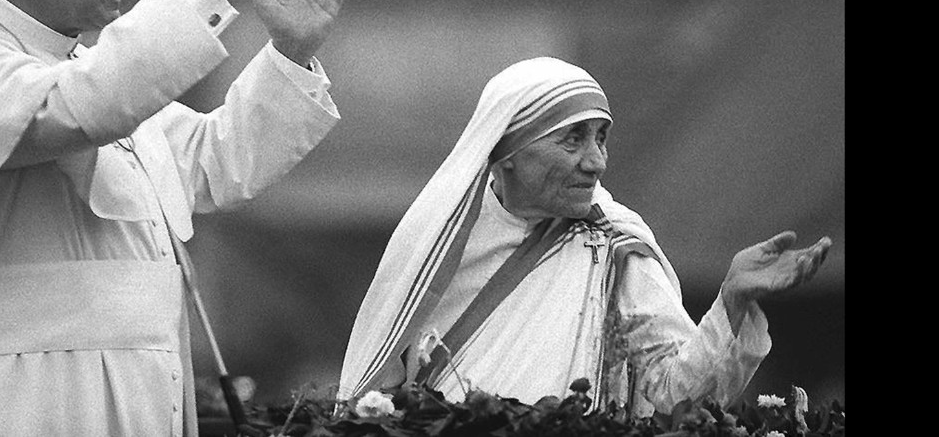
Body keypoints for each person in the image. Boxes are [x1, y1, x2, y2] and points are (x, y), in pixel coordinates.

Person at [0, 0, 357, 436]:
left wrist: (290, 53)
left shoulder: (92, 67)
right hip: (38, 396)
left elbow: (220, 163)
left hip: (149, 385)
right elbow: (84, 109)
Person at [339, 57, 831, 418]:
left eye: (601, 137)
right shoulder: (436, 239)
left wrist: (733, 302)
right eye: (572, 139)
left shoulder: (614, 242)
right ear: (506, 151)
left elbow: (678, 396)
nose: (596, 161)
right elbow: (377, 393)